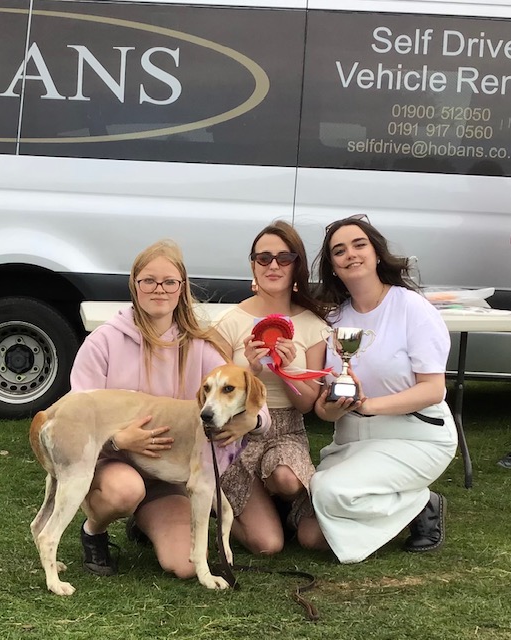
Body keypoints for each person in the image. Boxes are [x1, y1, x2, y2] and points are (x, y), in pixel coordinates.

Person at [70, 239, 270, 578]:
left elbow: (252, 403)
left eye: (169, 282)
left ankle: (144, 522)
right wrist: (118, 441)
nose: (159, 289)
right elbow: (78, 420)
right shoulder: (102, 342)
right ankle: (94, 530)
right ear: (134, 285)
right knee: (125, 491)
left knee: (185, 566)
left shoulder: (201, 346)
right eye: (148, 280)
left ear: (182, 287)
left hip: (171, 477)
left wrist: (250, 421)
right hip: (115, 465)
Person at [297, 214, 458, 563]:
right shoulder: (335, 320)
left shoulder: (411, 308)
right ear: (333, 267)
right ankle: (409, 505)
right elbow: (325, 407)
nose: (350, 254)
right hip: (352, 439)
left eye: (359, 245)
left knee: (327, 490)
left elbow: (433, 390)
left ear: (376, 253)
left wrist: (369, 406)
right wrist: (330, 409)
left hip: (415, 436)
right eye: (339, 251)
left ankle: (420, 503)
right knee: (311, 536)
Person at [214, 220, 330, 554]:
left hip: (287, 429)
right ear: (253, 265)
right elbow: (215, 395)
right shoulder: (229, 322)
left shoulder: (313, 326)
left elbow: (307, 405)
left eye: (284, 258)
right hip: (238, 432)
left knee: (287, 479)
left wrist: (287, 369)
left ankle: (275, 502)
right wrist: (248, 372)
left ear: (297, 265)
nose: (273, 266)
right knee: (267, 545)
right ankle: (214, 503)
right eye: (263, 258)